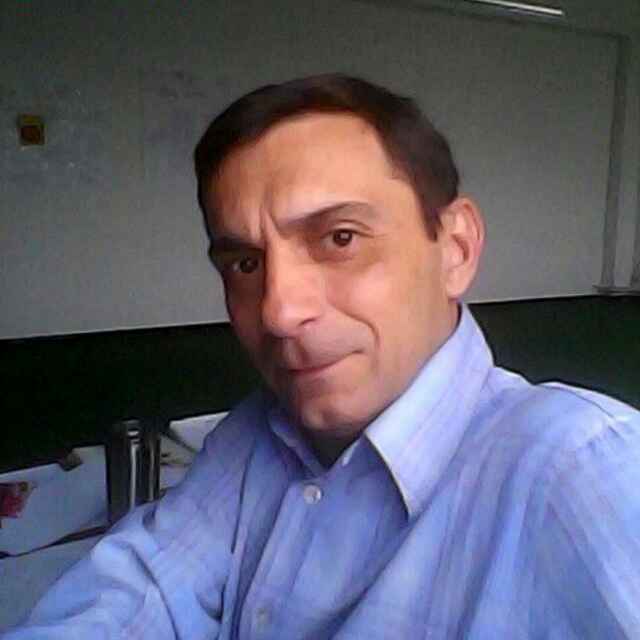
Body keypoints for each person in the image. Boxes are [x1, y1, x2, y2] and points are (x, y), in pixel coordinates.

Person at [4, 74, 640, 639]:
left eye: (340, 238)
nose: (278, 312)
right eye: (245, 264)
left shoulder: (585, 470)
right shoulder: (253, 437)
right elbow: (142, 588)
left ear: (456, 249)